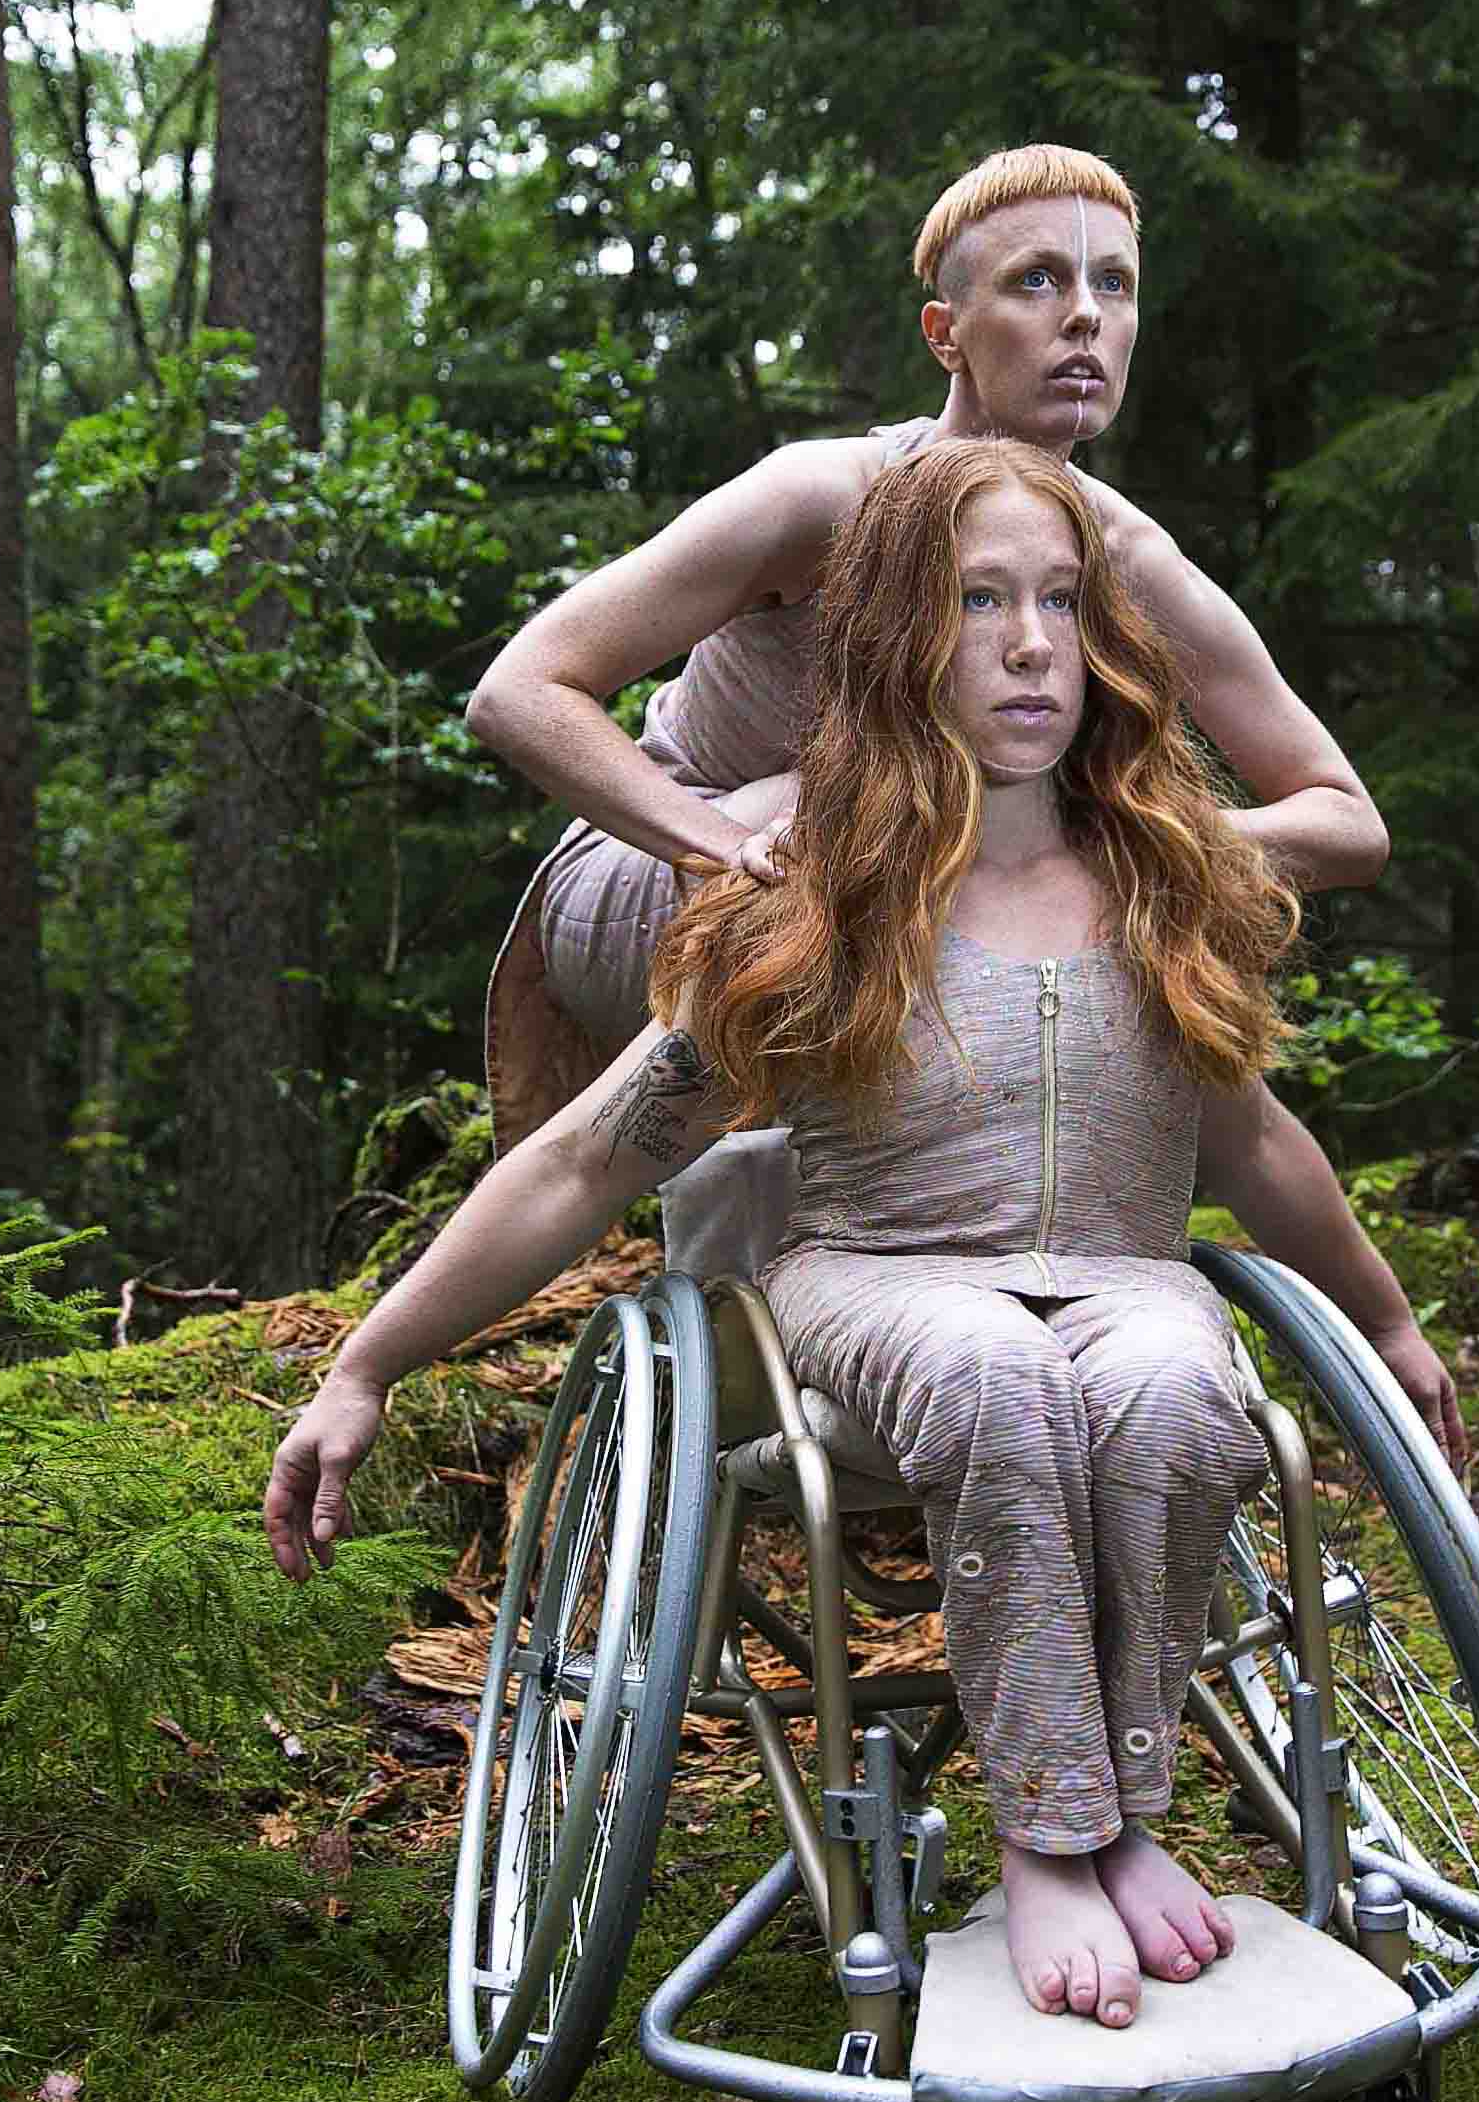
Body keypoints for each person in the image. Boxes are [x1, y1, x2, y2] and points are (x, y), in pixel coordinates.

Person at [267, 440, 1461, 2035]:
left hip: (1123, 1276)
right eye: (979, 603)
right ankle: (1051, 1837)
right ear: (901, 640)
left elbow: (1252, 1145)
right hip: (878, 1279)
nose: (1032, 644)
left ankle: (1135, 1824)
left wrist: (1382, 1321)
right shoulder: (815, 900)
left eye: (1059, 601)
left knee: (1185, 1392)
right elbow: (579, 1166)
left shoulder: (1166, 888)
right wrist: (368, 1362)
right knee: (986, 1372)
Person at [466, 146, 1402, 1323]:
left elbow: (1344, 820)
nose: (1083, 317)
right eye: (1036, 282)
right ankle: (747, 1297)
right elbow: (522, 692)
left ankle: (987, 1289)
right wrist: (711, 842)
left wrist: (1127, 837)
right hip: (663, 872)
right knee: (875, 812)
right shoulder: (826, 495)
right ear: (944, 332)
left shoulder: (1120, 554)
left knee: (1019, 841)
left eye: (1115, 286)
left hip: (908, 886)